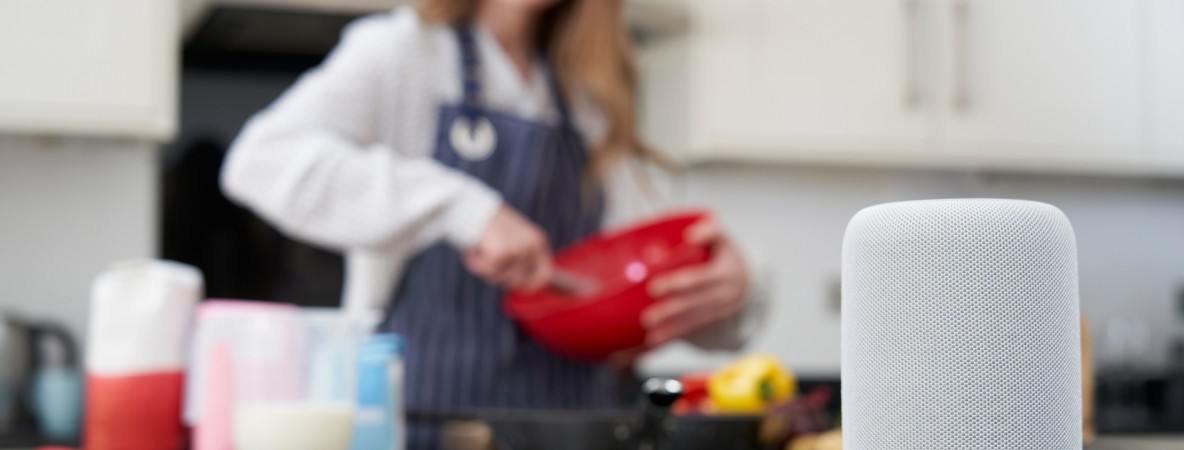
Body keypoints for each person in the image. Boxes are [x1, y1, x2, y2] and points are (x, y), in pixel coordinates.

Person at [221, 0, 763, 447]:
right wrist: (462, 209)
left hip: (576, 431)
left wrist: (729, 292)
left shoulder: (592, 92)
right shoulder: (402, 52)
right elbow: (259, 162)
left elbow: (633, 286)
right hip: (424, 429)